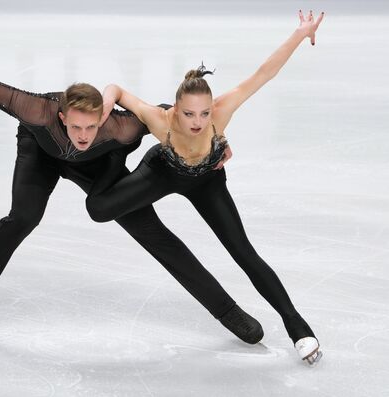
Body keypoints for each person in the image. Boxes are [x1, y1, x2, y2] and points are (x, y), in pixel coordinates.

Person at [0, 50, 264, 346]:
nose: (84, 134)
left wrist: (218, 140)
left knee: (152, 232)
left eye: (93, 126)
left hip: (98, 168)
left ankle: (227, 311)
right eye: (76, 126)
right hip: (41, 155)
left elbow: (176, 115)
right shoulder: (38, 112)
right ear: (61, 118)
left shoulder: (122, 129)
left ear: (103, 119)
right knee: (22, 218)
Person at [85, 10, 325, 365]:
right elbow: (117, 90)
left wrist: (299, 33)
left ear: (211, 108)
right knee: (99, 209)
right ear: (176, 109)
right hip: (163, 171)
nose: (197, 122)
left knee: (244, 253)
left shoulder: (222, 111)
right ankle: (113, 162)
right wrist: (106, 105)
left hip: (207, 181)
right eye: (189, 114)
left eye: (203, 113)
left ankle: (298, 327)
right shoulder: (159, 118)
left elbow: (264, 74)